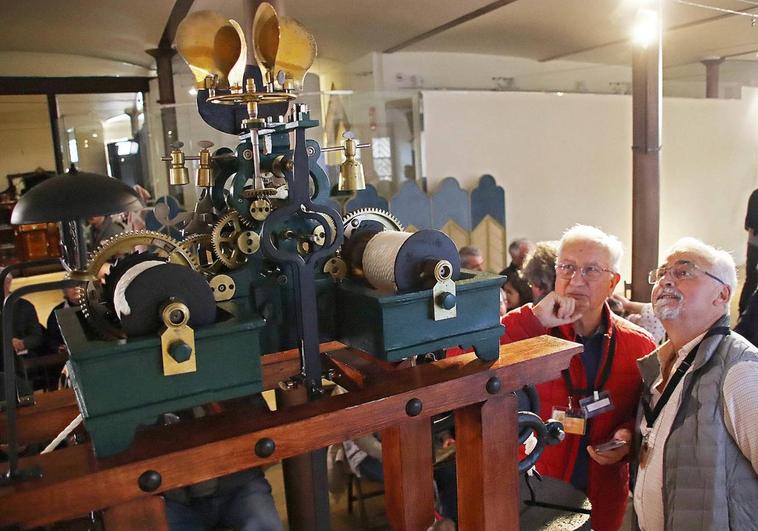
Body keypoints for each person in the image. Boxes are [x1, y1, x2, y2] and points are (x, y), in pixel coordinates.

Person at [501, 225, 655, 531]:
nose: (575, 279)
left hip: (604, 487)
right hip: (538, 486)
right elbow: (462, 357)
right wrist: (534, 319)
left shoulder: (640, 345)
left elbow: (644, 415)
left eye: (590, 270)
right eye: (567, 268)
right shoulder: (531, 330)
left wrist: (627, 437)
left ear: (612, 283)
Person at [633, 238, 758, 530]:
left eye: (683, 272)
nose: (665, 281)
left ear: (722, 294)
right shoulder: (662, 362)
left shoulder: (740, 370)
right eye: (661, 273)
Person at [1, 271, 43, 372]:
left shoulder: (25, 306)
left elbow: (37, 337)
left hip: (21, 364)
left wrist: (22, 343)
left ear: (8, 283)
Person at [45, 287, 82, 354]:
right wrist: (59, 347)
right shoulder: (57, 311)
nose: (76, 288)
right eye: (71, 285)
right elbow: (52, 338)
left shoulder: (99, 304)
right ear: (65, 290)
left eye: (79, 284)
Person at [739, 188, 758, 314]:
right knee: (751, 279)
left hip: (753, 243)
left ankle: (743, 311)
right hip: (754, 244)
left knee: (750, 279)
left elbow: (747, 224)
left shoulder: (755, 194)